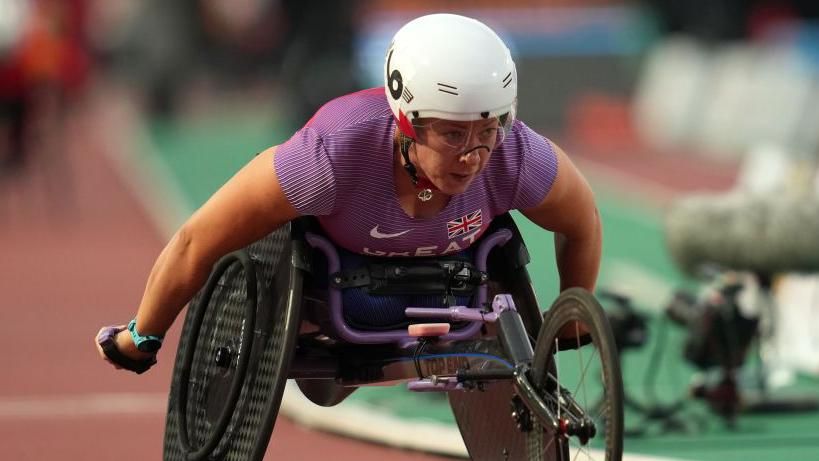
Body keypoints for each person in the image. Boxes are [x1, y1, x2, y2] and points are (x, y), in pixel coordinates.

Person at [95, 13, 601, 370]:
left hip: (453, 292)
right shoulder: (331, 154)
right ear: (406, 120)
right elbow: (196, 241)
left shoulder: (515, 155)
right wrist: (141, 336)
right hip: (342, 290)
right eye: (452, 135)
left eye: (486, 132)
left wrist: (573, 322)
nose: (472, 155)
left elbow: (582, 223)